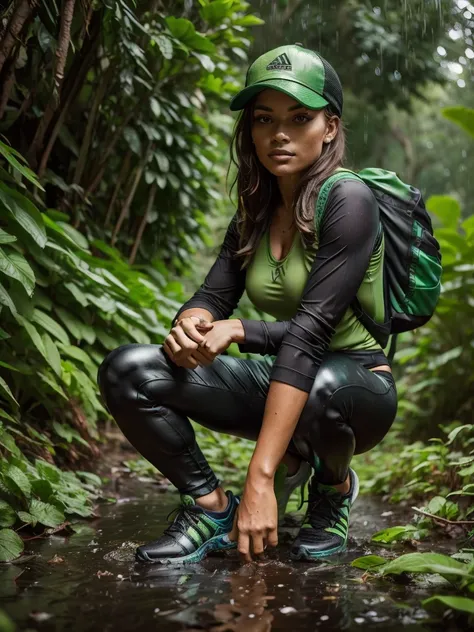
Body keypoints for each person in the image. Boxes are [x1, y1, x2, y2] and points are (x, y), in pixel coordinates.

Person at [97, 44, 397, 565]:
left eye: (299, 118)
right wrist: (192, 324)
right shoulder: (256, 210)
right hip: (284, 378)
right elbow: (212, 295)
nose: (279, 133)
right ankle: (211, 507)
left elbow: (311, 333)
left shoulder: (349, 200)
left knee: (325, 387)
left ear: (329, 127)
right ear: (250, 129)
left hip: (355, 386)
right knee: (129, 371)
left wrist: (259, 477)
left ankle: (332, 489)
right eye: (264, 119)